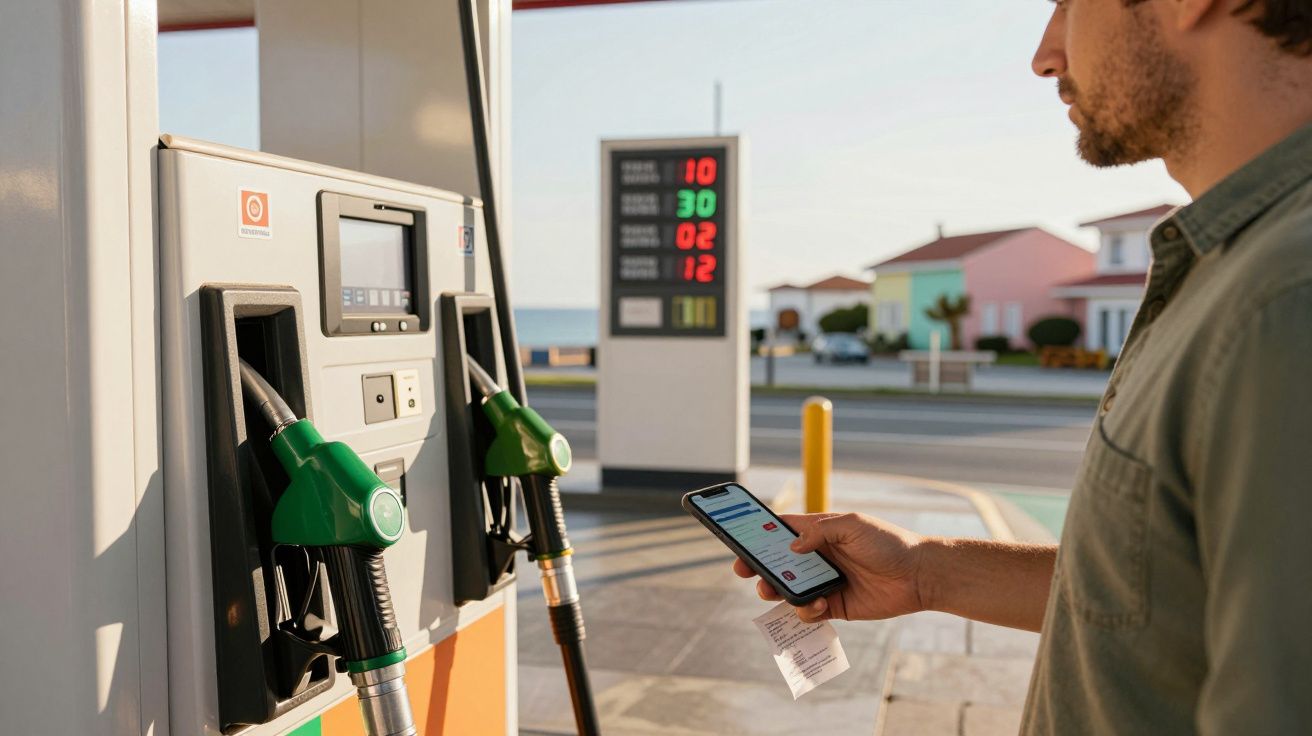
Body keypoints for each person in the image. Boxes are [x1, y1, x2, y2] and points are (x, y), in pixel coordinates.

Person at [733, 1, 1312, 733]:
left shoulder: (1285, 299)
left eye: (1070, 3)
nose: (1045, 54)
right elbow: (1156, 595)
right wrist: (923, 568)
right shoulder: (1239, 266)